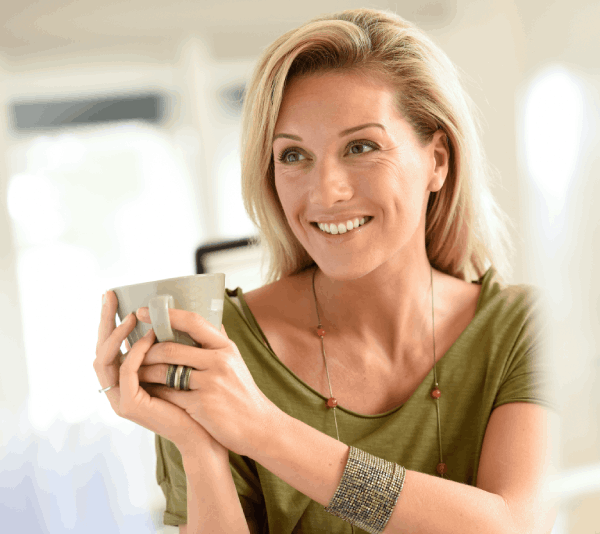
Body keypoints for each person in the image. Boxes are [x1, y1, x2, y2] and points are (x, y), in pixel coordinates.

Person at [94, 8, 556, 534]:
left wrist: (259, 428)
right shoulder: (220, 355)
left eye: (361, 147)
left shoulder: (523, 327)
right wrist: (197, 445)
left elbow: (513, 526)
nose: (325, 192)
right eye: (293, 156)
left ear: (438, 161)